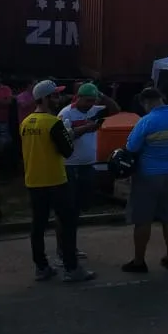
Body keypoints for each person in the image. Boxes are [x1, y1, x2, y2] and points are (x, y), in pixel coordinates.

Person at [20, 80, 96, 283]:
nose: (58, 99)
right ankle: (72, 268)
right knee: (68, 224)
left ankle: (41, 267)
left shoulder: (26, 122)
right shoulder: (53, 122)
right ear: (44, 98)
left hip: (33, 180)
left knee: (38, 226)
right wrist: (72, 133)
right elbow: (67, 150)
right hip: (55, 180)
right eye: (54, 96)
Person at [122, 88, 168, 273]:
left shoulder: (147, 121)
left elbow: (132, 147)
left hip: (149, 176)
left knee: (143, 220)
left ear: (146, 102)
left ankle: (139, 261)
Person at [57, 82, 119, 259]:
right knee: (67, 210)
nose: (90, 104)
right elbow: (64, 136)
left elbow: (115, 109)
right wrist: (86, 128)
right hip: (70, 166)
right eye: (87, 100)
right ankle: (63, 250)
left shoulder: (94, 110)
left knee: (79, 208)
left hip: (87, 165)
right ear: (78, 98)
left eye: (93, 100)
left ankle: (71, 247)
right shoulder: (66, 113)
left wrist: (102, 95)